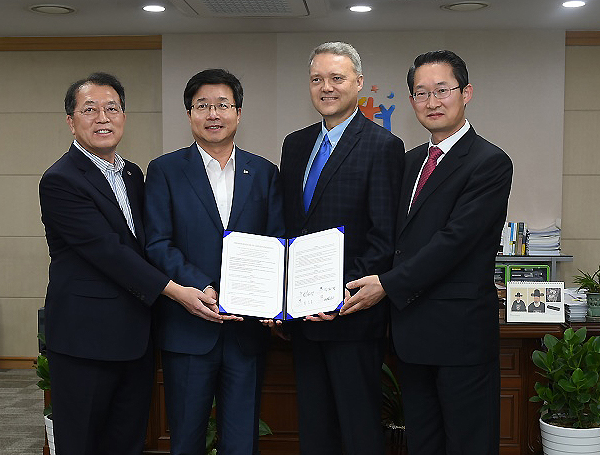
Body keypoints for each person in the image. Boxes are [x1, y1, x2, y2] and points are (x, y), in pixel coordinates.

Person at [344, 50, 513, 454]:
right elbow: (389, 236)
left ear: (466, 92)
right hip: (411, 335)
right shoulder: (408, 162)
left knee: (469, 443)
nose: (432, 102)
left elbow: (454, 242)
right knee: (423, 443)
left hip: (461, 337)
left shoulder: (490, 162)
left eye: (442, 90)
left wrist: (386, 284)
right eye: (421, 93)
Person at [39, 72, 217, 455]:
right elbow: (108, 253)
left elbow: (152, 244)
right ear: (71, 121)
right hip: (85, 339)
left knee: (128, 441)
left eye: (112, 108)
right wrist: (176, 291)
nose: (102, 118)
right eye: (90, 110)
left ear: (124, 116)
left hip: (135, 337)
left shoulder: (133, 174)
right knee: (83, 442)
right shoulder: (60, 180)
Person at [144, 69, 283, 455]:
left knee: (242, 443)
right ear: (189, 114)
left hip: (247, 333)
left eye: (223, 105)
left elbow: (276, 243)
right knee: (186, 440)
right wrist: (201, 286)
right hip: (188, 329)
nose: (213, 114)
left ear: (238, 113)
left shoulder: (265, 173)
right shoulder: (165, 171)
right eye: (202, 106)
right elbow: (157, 243)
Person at [279, 42, 404, 455]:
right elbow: (289, 228)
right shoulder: (294, 145)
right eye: (317, 79)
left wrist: (334, 295)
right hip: (302, 319)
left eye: (337, 78)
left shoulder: (383, 146)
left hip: (351, 317)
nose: (326, 88)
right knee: (315, 430)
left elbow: (383, 238)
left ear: (359, 83)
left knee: (357, 430)